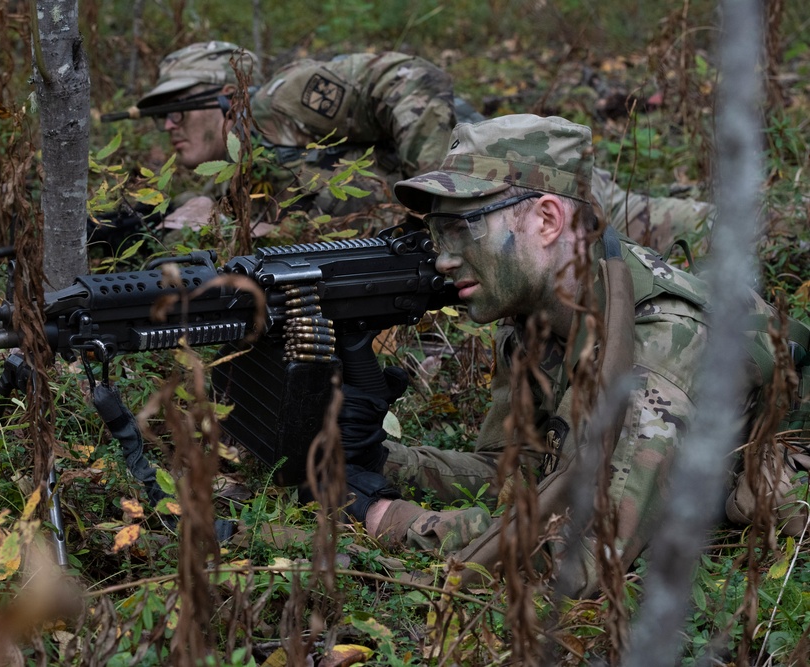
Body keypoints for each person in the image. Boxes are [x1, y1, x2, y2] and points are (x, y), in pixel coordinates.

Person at [334, 114, 775, 595]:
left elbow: (579, 560)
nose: (443, 258)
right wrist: (376, 459)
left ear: (547, 220)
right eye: (439, 234)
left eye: (462, 229)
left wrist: (391, 518)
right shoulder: (538, 312)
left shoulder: (663, 341)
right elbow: (515, 472)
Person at [115, 42, 713, 249]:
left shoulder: (281, 101)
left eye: (177, 108)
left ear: (227, 96)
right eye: (158, 114)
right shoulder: (236, 175)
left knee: (659, 226)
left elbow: (405, 75)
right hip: (489, 241)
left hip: (500, 177)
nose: (167, 125)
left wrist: (438, 193)